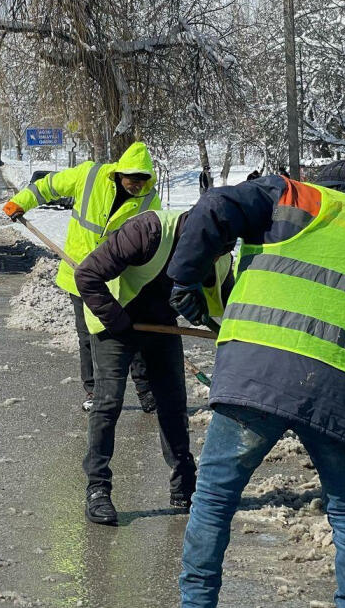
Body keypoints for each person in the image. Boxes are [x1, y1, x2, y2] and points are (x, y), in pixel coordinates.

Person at [167, 160, 345, 607]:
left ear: (320, 183)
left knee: (214, 498)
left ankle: (196, 602)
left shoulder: (293, 196)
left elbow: (214, 206)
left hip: (260, 372)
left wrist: (185, 278)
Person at [74, 209, 232, 523]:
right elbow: (87, 276)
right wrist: (117, 321)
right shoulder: (147, 232)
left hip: (161, 325)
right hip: (115, 319)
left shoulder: (221, 255)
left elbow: (231, 311)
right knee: (108, 402)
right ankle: (97, 488)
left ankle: (184, 484)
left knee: (173, 403)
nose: (211, 261)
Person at [3, 142, 162, 414]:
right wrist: (21, 201)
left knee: (131, 331)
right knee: (88, 335)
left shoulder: (149, 200)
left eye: (142, 180)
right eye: (132, 179)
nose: (137, 185)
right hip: (81, 275)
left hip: (119, 279)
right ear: (119, 172)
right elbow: (48, 186)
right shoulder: (89, 175)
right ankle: (94, 391)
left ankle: (146, 390)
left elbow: (153, 239)